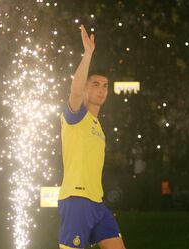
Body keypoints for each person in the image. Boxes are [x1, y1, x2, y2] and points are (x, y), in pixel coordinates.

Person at [58, 24, 126, 249]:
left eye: (105, 86)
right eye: (95, 84)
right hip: (77, 200)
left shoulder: (98, 125)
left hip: (97, 203)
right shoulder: (76, 116)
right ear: (86, 88)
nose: (101, 89)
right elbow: (75, 92)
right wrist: (88, 54)